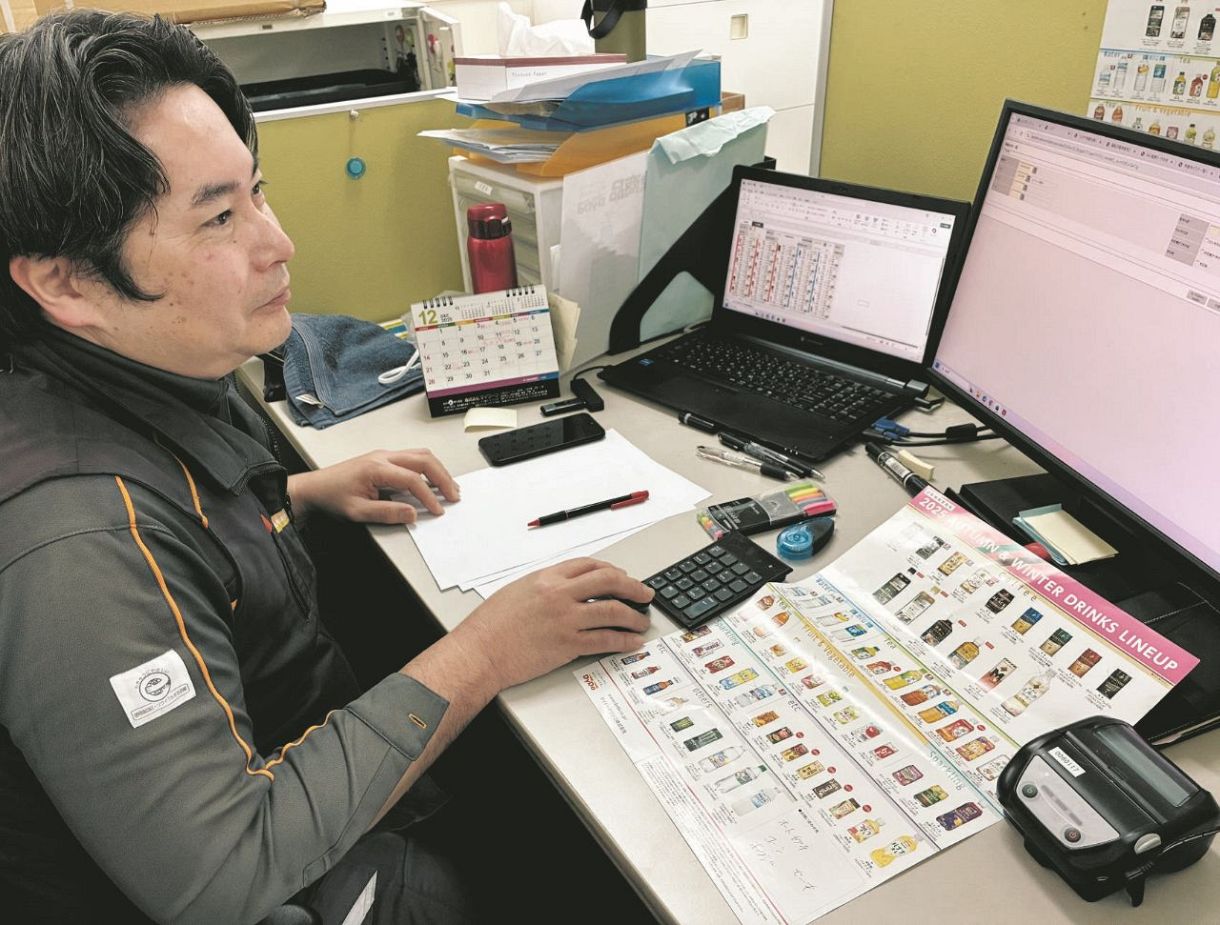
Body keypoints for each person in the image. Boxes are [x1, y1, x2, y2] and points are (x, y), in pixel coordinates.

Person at [0, 10, 652, 923]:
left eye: (256, 193)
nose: (278, 243)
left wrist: (302, 494)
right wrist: (487, 648)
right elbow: (224, 873)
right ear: (67, 282)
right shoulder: (75, 548)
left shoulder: (137, 364)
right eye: (218, 217)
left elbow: (174, 516)